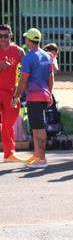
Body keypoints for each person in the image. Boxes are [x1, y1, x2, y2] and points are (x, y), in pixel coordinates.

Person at [12, 28, 54, 168]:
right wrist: (49, 94)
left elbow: (23, 80)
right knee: (37, 127)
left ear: (29, 40)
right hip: (43, 94)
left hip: (34, 96)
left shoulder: (28, 57)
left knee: (38, 127)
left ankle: (41, 158)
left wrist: (16, 96)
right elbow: (51, 77)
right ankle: (37, 155)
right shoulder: (47, 55)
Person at [0, 24, 25, 162]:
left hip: (11, 92)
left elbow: (27, 68)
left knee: (8, 123)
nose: (3, 39)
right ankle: (9, 152)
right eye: (0, 36)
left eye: (5, 35)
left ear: (11, 35)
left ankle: (9, 154)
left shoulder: (18, 51)